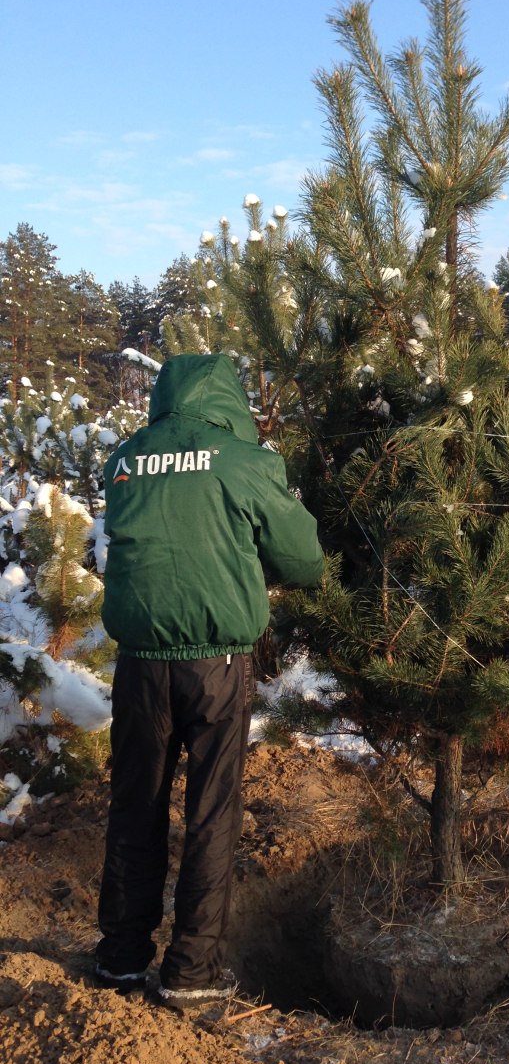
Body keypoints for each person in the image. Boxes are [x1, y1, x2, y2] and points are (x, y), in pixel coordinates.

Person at [94, 353, 323, 1008]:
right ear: (227, 398)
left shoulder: (126, 459)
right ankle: (192, 972)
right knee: (212, 812)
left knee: (136, 806)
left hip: (139, 665)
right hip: (216, 665)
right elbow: (303, 561)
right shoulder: (245, 462)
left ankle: (121, 958)